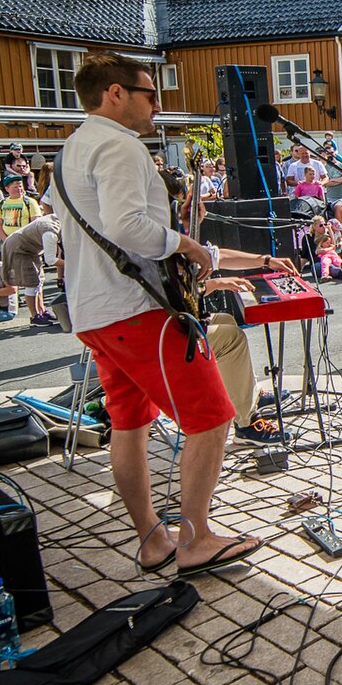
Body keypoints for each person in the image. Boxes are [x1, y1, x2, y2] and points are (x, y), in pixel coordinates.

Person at [52, 51, 276, 578]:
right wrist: (188, 246)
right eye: (149, 94)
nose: (157, 104)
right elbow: (128, 227)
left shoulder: (70, 148)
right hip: (135, 309)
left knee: (130, 423)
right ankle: (196, 537)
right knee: (212, 415)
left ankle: (154, 539)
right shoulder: (118, 145)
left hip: (93, 308)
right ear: (115, 94)